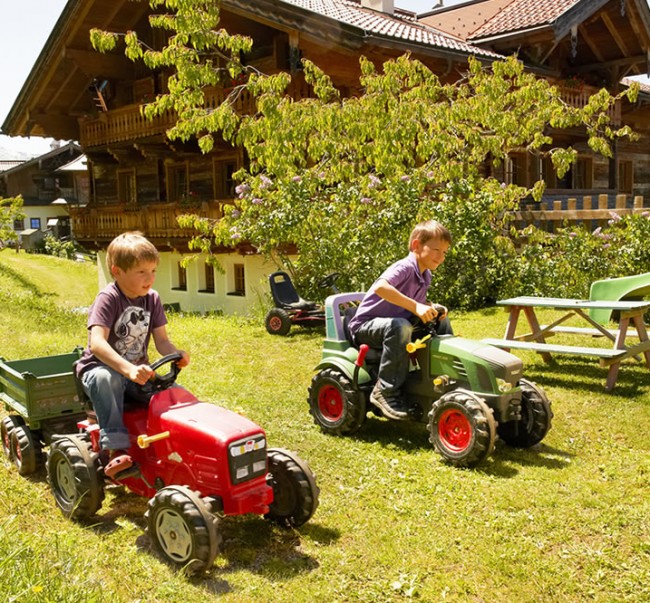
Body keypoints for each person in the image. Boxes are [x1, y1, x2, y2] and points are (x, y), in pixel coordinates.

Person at [75, 232, 189, 479]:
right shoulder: (108, 298)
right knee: (108, 379)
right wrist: (127, 369)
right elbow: (97, 344)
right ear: (117, 272)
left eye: (153, 271)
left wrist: (175, 353)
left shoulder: (153, 299)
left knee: (174, 395)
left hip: (137, 373)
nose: (150, 278)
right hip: (99, 370)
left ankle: (178, 446)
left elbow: (162, 341)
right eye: (141, 272)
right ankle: (115, 450)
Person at [347, 219, 453, 420]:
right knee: (400, 325)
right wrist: (417, 307)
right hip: (366, 327)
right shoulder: (405, 267)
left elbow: (415, 306)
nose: (441, 257)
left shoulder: (425, 275)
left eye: (445, 252)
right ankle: (385, 391)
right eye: (436, 250)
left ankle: (444, 378)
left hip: (396, 325)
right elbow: (381, 287)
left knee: (441, 322)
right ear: (416, 245)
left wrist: (432, 308)